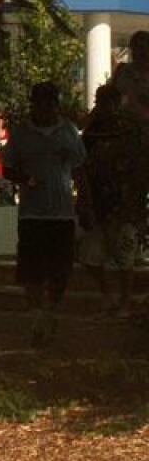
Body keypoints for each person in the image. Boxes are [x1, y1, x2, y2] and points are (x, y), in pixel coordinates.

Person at [2, 81, 87, 347]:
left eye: (51, 102)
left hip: (62, 213)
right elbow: (7, 168)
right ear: (34, 104)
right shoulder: (21, 134)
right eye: (42, 102)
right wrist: (25, 179)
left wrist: (85, 202)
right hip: (32, 214)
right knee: (32, 271)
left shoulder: (68, 131)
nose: (47, 107)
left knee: (61, 269)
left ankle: (50, 311)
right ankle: (37, 318)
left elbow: (80, 166)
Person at [76, 84, 147, 318]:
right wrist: (85, 199)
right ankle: (108, 297)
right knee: (89, 255)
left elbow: (140, 168)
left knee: (125, 257)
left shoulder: (130, 131)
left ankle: (125, 302)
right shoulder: (92, 132)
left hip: (126, 203)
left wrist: (135, 203)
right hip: (98, 203)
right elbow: (82, 166)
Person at [112, 29, 149, 129]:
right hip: (124, 128)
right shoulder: (123, 71)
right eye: (139, 47)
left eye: (146, 47)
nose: (143, 51)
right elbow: (113, 97)